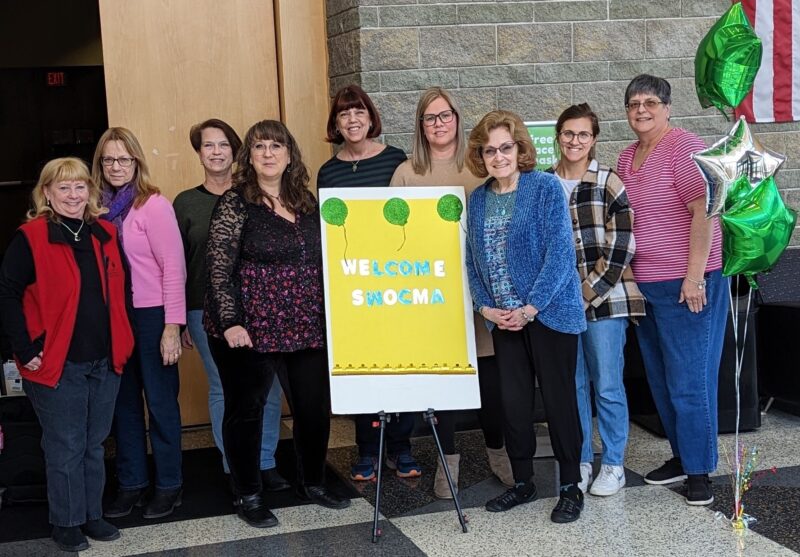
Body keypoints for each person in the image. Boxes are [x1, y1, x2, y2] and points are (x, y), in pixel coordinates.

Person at [205, 120, 350, 528]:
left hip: (305, 325)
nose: (268, 153)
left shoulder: (305, 202)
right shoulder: (236, 203)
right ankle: (248, 495)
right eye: (259, 147)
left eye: (276, 145)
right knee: (246, 412)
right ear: (249, 157)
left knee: (314, 409)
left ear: (290, 154)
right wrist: (231, 322)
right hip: (249, 328)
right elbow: (218, 270)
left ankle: (313, 482)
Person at [0, 158, 134, 552]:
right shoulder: (32, 237)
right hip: (57, 361)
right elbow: (7, 295)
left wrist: (123, 343)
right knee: (65, 445)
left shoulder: (105, 232)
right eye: (63, 188)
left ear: (90, 192)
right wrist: (25, 349)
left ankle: (92, 515)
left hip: (104, 360)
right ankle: (67, 522)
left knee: (93, 443)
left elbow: (120, 292)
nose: (73, 196)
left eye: (80, 187)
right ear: (46, 194)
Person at [390, 87, 513, 498]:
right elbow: (394, 239)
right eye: (430, 118)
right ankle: (447, 465)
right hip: (433, 299)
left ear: (458, 119)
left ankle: (500, 455)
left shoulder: (480, 166)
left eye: (445, 116)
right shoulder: (407, 173)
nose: (438, 124)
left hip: (486, 294)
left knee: (493, 385)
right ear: (420, 127)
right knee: (444, 391)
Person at [465, 110, 587, 523]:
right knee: (513, 405)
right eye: (489, 150)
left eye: (505, 147)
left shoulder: (545, 187)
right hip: (503, 321)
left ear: (520, 149)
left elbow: (560, 254)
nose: (498, 156)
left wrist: (530, 308)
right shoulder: (478, 199)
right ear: (480, 156)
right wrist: (486, 308)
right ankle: (523, 482)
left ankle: (570, 486)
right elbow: (473, 262)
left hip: (548, 314)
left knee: (558, 402)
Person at [616, 75, 727, 506]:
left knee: (689, 379)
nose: (640, 110)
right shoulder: (628, 158)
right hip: (646, 286)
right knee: (661, 378)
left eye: (649, 102)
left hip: (688, 285)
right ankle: (681, 456)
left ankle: (699, 472)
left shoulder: (685, 147)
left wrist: (694, 276)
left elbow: (706, 212)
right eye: (632, 104)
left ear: (667, 107)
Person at [173, 119, 288, 492]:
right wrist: (177, 320)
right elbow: (177, 264)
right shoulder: (186, 203)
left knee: (266, 390)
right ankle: (234, 466)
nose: (216, 152)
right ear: (199, 152)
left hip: (256, 309)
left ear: (237, 151)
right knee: (225, 388)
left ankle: (265, 461)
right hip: (202, 310)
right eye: (208, 146)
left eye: (223, 144)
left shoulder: (252, 197)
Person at [318, 84, 422, 482]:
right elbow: (329, 230)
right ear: (336, 123)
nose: (352, 119)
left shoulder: (396, 160)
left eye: (359, 111)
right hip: (351, 284)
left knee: (400, 364)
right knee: (363, 367)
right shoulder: (328, 171)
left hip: (394, 280)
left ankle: (401, 446)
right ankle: (367, 449)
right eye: (344, 114)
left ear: (370, 116)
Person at [546, 103, 646, 497]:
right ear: (559, 136)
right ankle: (583, 459)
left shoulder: (609, 182)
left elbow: (622, 247)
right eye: (568, 133)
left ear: (594, 139)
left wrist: (585, 292)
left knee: (606, 383)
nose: (575, 141)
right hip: (560, 307)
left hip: (606, 300)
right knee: (573, 386)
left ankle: (614, 464)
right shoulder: (544, 183)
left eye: (583, 134)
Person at [93, 128, 187, 520]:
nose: (117, 167)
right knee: (123, 404)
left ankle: (169, 486)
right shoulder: (93, 208)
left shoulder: (153, 205)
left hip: (152, 316)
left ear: (136, 162)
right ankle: (131, 483)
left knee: (161, 404)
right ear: (100, 164)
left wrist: (172, 326)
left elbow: (174, 268)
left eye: (124, 159)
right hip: (113, 317)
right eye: (109, 160)